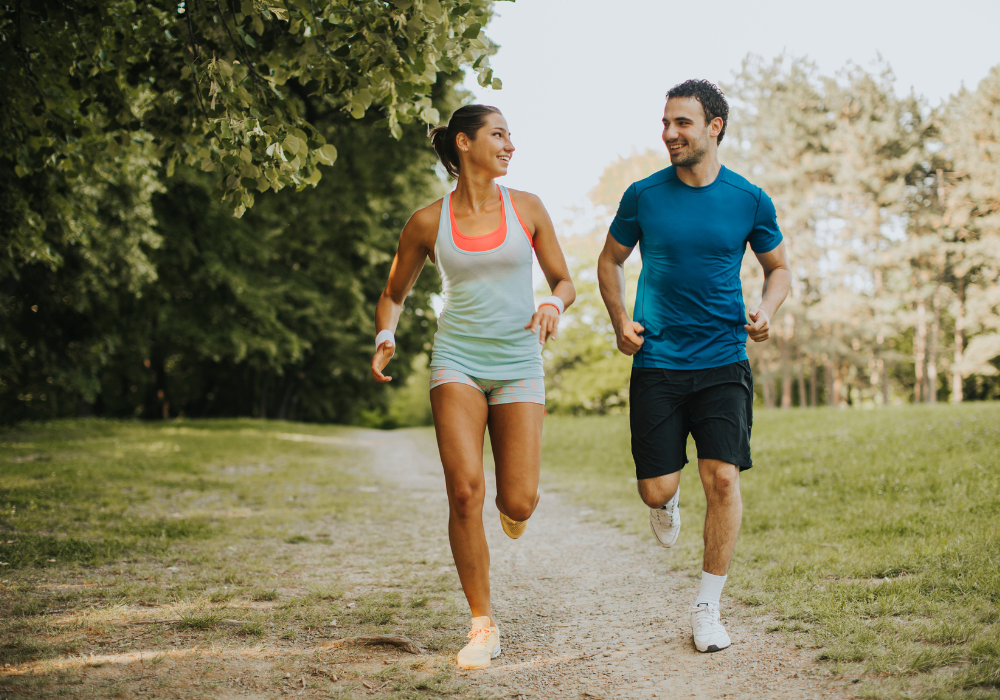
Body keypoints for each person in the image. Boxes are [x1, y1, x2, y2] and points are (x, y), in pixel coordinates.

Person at [370, 105, 575, 670]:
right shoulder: (426, 222)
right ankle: (482, 624)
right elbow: (394, 291)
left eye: (511, 134)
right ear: (465, 143)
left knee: (518, 499)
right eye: (499, 134)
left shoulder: (527, 209)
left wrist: (553, 302)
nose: (511, 144)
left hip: (518, 361)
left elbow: (564, 279)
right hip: (456, 359)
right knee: (464, 492)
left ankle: (516, 508)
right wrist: (386, 331)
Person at [597, 79, 790, 653]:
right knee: (656, 490)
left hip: (723, 358)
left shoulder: (749, 198)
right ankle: (668, 499)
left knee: (723, 478)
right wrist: (618, 320)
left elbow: (778, 269)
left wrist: (766, 308)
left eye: (681, 123)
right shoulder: (643, 195)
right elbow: (610, 261)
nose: (669, 134)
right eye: (665, 123)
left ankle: (707, 606)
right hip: (657, 359)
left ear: (714, 127)